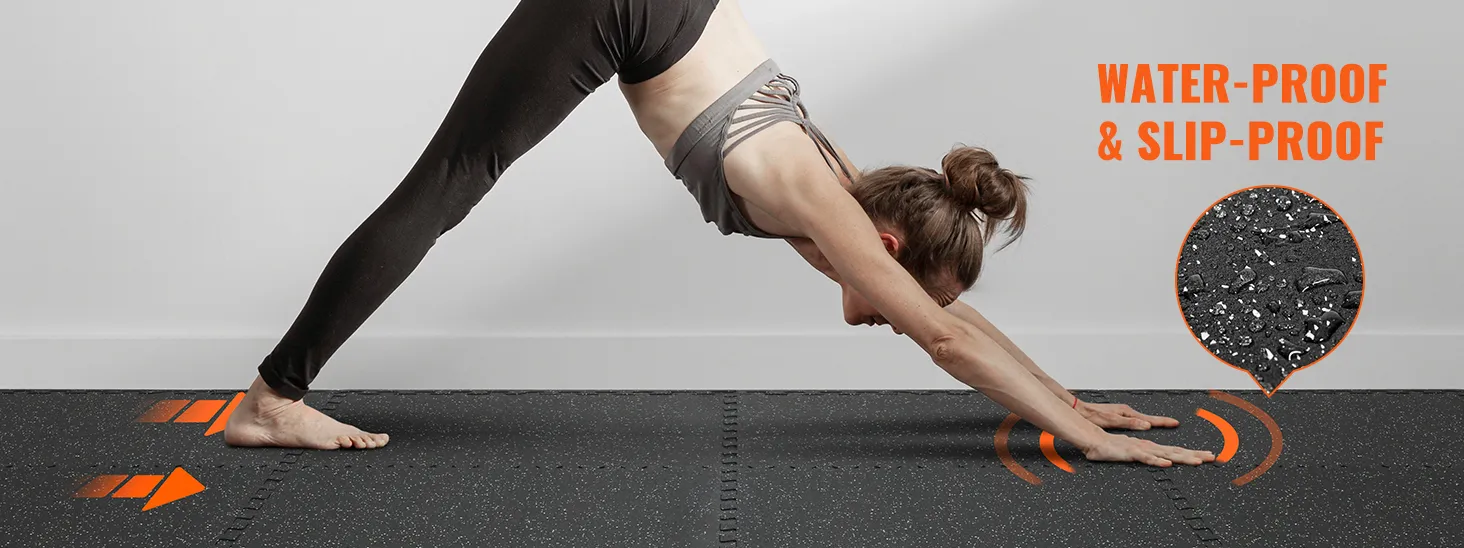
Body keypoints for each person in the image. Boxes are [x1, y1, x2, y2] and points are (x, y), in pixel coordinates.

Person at [224, 0, 1215, 468]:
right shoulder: (824, 200)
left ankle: (278, 392)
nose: (893, 320)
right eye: (908, 294)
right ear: (895, 250)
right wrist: (1086, 437)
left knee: (450, 185)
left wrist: (1069, 397)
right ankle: (273, 398)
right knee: (446, 187)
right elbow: (943, 336)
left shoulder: (845, 192)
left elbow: (954, 326)